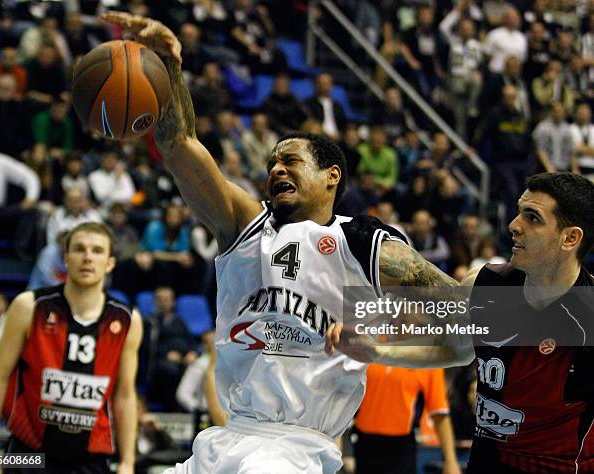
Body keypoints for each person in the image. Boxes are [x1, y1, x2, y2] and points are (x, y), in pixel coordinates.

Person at [103, 11, 459, 474]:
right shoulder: (246, 226)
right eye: (272, 162)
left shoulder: (360, 242)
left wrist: (383, 345)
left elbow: (462, 322)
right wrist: (171, 66)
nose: (276, 169)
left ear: (332, 176)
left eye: (290, 160)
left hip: (295, 449)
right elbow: (178, 144)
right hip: (225, 439)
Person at [328, 172, 594, 473]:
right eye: (519, 211)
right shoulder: (484, 284)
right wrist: (377, 352)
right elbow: (456, 351)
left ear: (570, 238)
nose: (513, 225)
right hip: (485, 462)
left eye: (532, 218)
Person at [0, 222, 143, 474]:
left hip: (91, 459)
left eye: (97, 251)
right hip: (28, 454)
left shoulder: (127, 320)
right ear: (66, 259)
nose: (88, 257)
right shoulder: (29, 306)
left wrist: (127, 462)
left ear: (110, 263)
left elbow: (124, 395)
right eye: (79, 249)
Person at [354, 365, 460, 474]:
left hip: (401, 450)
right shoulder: (366, 353)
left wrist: (450, 461)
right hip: (364, 445)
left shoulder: (427, 359)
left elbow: (439, 413)